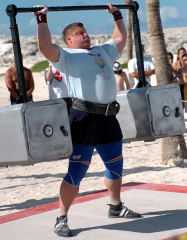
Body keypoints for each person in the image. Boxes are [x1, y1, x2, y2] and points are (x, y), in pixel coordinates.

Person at [34, 4, 141, 237]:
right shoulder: (66, 56)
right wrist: (41, 19)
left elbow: (120, 38)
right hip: (82, 118)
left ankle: (115, 206)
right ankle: (61, 218)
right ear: (69, 40)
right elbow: (45, 47)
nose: (86, 35)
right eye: (79, 33)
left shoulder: (102, 51)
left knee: (115, 164)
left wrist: (117, 15)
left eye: (86, 32)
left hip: (108, 117)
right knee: (76, 172)